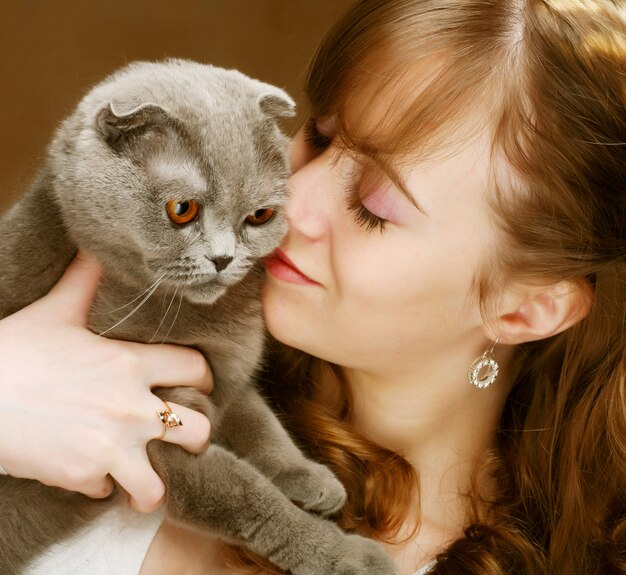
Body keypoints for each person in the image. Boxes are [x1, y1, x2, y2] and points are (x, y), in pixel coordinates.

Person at [1, 0, 624, 574]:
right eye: (319, 137)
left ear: (527, 309)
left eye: (374, 208)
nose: (295, 200)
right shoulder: (92, 339)